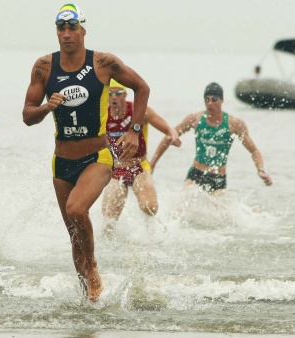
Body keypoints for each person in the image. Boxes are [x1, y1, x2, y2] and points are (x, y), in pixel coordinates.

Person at [22, 4, 161, 301]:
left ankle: (94, 266)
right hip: (62, 162)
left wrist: (134, 131)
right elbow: (27, 115)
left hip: (97, 157)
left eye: (73, 28)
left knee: (76, 210)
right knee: (74, 234)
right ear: (57, 32)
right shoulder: (44, 67)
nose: (67, 34)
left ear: (84, 31)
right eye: (62, 28)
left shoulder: (103, 63)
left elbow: (142, 87)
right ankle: (88, 301)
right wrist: (47, 107)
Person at [150, 82, 273, 195]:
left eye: (214, 99)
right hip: (196, 174)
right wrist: (153, 164)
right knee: (183, 205)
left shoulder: (234, 124)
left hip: (218, 178)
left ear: (222, 100)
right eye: (206, 99)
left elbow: (254, 151)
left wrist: (260, 170)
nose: (210, 103)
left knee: (222, 213)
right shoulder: (195, 119)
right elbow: (169, 136)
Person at [101, 79, 180, 236]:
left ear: (125, 95)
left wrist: (173, 135)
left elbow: (168, 129)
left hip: (139, 167)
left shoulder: (139, 111)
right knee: (108, 218)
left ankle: (151, 236)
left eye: (118, 93)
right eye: (110, 94)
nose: (114, 97)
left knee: (150, 207)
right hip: (116, 169)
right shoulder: (103, 115)